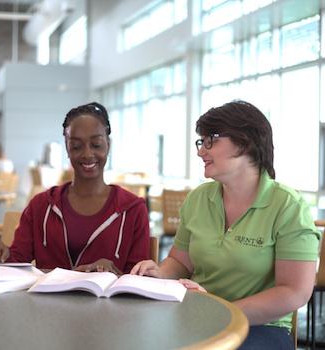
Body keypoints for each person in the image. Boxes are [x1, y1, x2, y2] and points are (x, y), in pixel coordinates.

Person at [131, 100, 320, 349]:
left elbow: (295, 292)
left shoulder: (288, 206)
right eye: (201, 142)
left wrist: (222, 312)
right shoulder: (199, 198)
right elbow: (180, 262)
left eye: (211, 140)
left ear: (245, 142)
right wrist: (160, 273)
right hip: (197, 316)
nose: (201, 151)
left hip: (261, 327)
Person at [0, 102, 150, 274]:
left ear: (108, 145)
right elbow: (17, 262)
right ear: (67, 148)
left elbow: (138, 279)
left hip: (108, 300)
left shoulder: (133, 209)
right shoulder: (41, 205)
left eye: (96, 145)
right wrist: (1, 254)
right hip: (45, 301)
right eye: (76, 146)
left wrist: (115, 274)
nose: (87, 154)